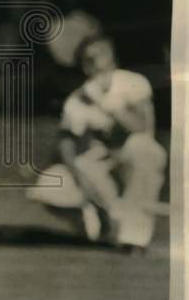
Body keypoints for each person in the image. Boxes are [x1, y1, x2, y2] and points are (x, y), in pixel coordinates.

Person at [26, 34, 167, 251]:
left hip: (129, 159)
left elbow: (140, 126)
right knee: (49, 184)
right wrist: (79, 175)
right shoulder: (76, 98)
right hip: (100, 165)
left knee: (146, 150)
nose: (94, 63)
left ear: (112, 56)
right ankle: (96, 220)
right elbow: (66, 143)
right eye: (87, 59)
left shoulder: (133, 82)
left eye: (99, 55)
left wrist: (105, 101)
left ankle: (134, 236)